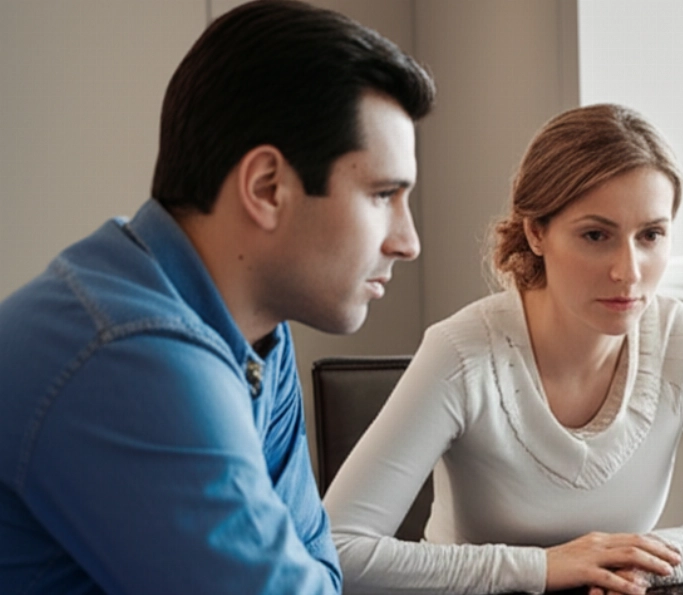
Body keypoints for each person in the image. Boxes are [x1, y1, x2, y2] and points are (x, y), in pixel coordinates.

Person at [0, 1, 435, 593]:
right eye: (383, 195)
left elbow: (320, 571)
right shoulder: (129, 357)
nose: (408, 242)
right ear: (267, 187)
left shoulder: (258, 334)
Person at [324, 103, 683, 595]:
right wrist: (542, 567)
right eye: (596, 235)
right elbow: (338, 548)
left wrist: (638, 559)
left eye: (651, 235)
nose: (628, 271)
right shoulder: (460, 351)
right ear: (536, 232)